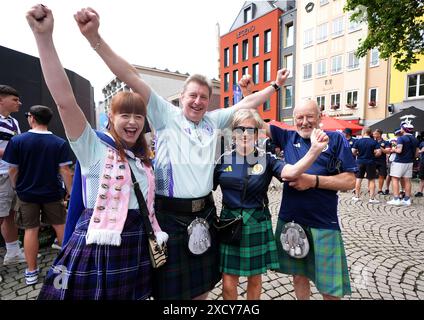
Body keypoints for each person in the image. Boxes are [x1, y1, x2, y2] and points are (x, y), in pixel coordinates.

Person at [73, 7, 289, 300]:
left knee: (203, 288)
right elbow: (131, 76)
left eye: (203, 97)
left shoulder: (214, 120)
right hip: (170, 216)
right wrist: (94, 38)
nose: (198, 102)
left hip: (207, 213)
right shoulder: (165, 115)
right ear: (183, 97)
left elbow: (249, 101)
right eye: (193, 96)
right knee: (172, 293)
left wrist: (275, 86)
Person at [26, 4, 167, 299]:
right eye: (124, 115)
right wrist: (44, 38)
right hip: (97, 249)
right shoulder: (93, 148)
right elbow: (64, 101)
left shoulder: (144, 159)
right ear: (110, 119)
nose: (132, 122)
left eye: (138, 116)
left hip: (136, 246)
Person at [238, 92, 355, 299]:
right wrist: (249, 91)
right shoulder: (287, 136)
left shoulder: (336, 139)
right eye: (299, 117)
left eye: (309, 116)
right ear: (293, 119)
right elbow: (256, 117)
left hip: (324, 223)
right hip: (292, 221)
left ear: (319, 117)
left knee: (330, 286)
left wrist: (312, 181)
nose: (304, 122)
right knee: (299, 276)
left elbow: (349, 181)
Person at [214, 109, 328, 300]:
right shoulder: (222, 160)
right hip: (229, 225)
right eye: (239, 129)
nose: (244, 134)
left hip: (257, 222)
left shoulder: (267, 159)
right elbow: (204, 188)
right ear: (233, 133)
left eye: (250, 130)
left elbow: (290, 173)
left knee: (255, 280)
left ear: (257, 134)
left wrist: (314, 150)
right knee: (228, 283)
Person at [2, 105, 73, 285]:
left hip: (27, 193)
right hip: (52, 192)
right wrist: (71, 193)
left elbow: (12, 169)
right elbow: (65, 170)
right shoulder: (59, 142)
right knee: (60, 227)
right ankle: (67, 268)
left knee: (30, 230)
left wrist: (17, 186)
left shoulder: (18, 141)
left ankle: (31, 272)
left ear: (32, 118)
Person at [0, 85, 26, 267]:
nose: (19, 103)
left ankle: (13, 252)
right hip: (1, 175)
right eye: (15, 100)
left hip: (12, 173)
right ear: (1, 100)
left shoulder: (14, 122)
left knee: (10, 214)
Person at [387, 123, 420, 206]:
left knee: (395, 179)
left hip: (399, 161)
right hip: (409, 162)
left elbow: (399, 150)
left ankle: (396, 199)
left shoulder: (401, 138)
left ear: (403, 129)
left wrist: (393, 149)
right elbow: (417, 154)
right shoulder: (415, 139)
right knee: (407, 180)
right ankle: (407, 199)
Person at [351, 127, 382, 203]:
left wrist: (358, 154)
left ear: (363, 132)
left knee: (359, 179)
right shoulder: (373, 142)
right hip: (371, 162)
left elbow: (353, 151)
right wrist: (374, 155)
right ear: (370, 133)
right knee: (371, 180)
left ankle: (356, 196)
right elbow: (379, 152)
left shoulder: (358, 141)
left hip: (360, 161)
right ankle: (372, 198)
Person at [373, 129, 391, 195]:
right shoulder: (372, 141)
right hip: (373, 160)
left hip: (382, 161)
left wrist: (380, 148)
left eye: (375, 134)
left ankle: (380, 190)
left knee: (382, 175)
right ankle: (370, 189)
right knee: (371, 175)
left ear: (379, 134)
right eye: (373, 134)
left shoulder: (386, 142)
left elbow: (387, 151)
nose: (373, 135)